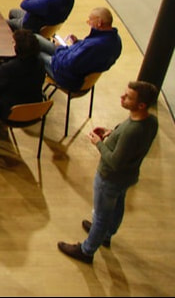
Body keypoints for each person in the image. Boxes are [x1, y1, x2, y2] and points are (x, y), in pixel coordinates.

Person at [57, 81, 159, 264]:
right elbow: (131, 146)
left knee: (101, 216)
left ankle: (86, 251)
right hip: (128, 176)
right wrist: (111, 134)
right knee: (117, 205)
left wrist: (98, 143)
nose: (122, 97)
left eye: (128, 97)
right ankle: (106, 234)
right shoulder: (151, 121)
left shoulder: (131, 131)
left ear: (141, 105)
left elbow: (113, 162)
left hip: (109, 178)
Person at [0, 29, 45, 135]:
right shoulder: (40, 62)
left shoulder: (10, 68)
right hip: (34, 108)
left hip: (12, 112)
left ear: (18, 48)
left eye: (14, 43)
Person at [38, 7, 122, 90]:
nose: (88, 23)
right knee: (35, 39)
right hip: (71, 61)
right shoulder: (115, 40)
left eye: (90, 20)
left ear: (99, 22)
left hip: (65, 74)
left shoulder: (95, 46)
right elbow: (85, 55)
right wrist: (77, 43)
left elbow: (68, 63)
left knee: (35, 52)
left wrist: (59, 48)